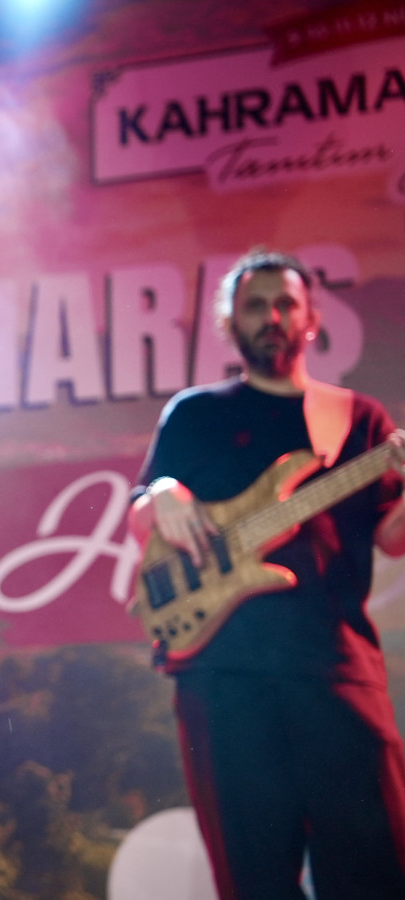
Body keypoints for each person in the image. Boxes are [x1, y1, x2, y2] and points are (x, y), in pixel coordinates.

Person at [128, 249, 405, 899]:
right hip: (222, 677)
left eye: (286, 305)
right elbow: (142, 518)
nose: (272, 317)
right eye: (256, 305)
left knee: (377, 870)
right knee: (253, 879)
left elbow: (393, 537)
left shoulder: (358, 419)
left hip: (337, 667)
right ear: (230, 323)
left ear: (311, 321)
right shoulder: (195, 413)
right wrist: (163, 493)